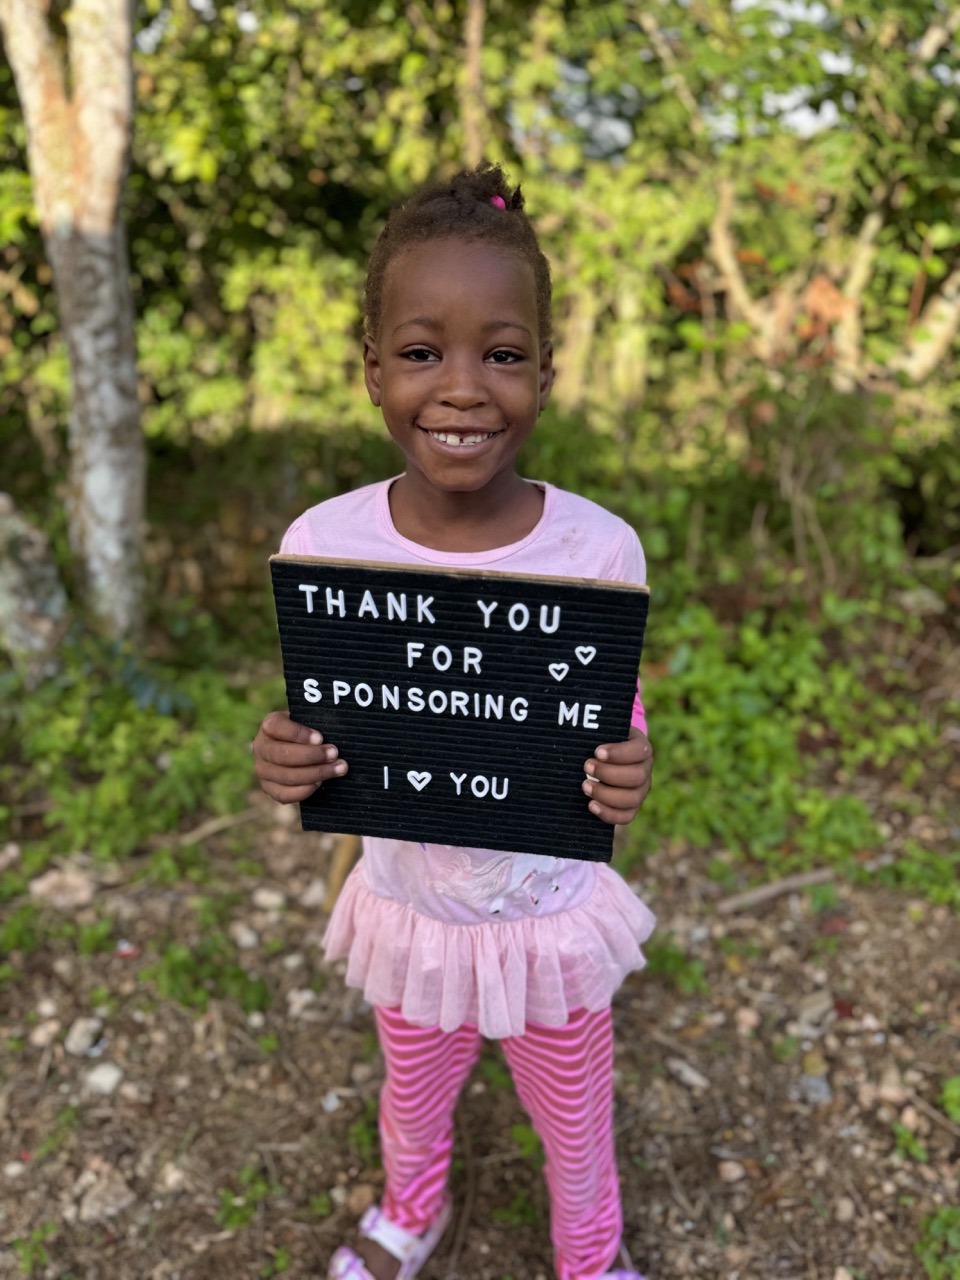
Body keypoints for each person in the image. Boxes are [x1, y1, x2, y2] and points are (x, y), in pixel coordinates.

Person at [252, 162, 655, 1280]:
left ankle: (591, 1256)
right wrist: (288, 755)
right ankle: (409, 1209)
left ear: (546, 372)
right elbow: (327, 715)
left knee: (574, 1116)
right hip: (411, 909)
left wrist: (630, 763)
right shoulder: (326, 545)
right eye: (424, 352)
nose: (464, 389)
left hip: (545, 914)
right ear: (372, 368)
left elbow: (609, 713)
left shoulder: (596, 549)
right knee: (412, 1087)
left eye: (504, 355)